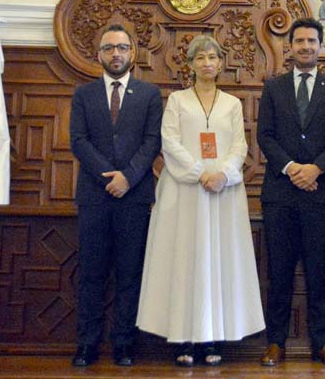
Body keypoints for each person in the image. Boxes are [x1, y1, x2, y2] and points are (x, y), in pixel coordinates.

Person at [136, 35, 265, 366]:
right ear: (190, 65)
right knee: (185, 260)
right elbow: (170, 141)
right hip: (184, 192)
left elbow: (240, 146)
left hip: (223, 193)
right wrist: (199, 172)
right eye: (200, 58)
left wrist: (222, 173)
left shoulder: (232, 104)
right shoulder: (177, 101)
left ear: (221, 63)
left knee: (218, 262)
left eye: (213, 57)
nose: (207, 62)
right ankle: (184, 338)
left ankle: (212, 339)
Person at [256, 17, 325, 367]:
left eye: (312, 41)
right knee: (279, 271)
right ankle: (275, 343)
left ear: (320, 46)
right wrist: (293, 168)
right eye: (300, 41)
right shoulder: (273, 87)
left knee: (318, 270)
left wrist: (315, 169)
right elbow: (265, 136)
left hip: (321, 192)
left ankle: (322, 344)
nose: (306, 46)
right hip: (281, 191)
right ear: (290, 47)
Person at [69, 24, 162, 367]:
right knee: (91, 274)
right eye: (109, 48)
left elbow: (152, 141)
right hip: (94, 196)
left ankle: (123, 344)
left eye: (122, 48)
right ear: (99, 55)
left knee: (129, 273)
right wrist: (109, 176)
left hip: (135, 197)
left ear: (132, 54)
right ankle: (86, 345)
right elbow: (78, 141)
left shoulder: (150, 94)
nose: (116, 54)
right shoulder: (84, 94)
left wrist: (128, 177)